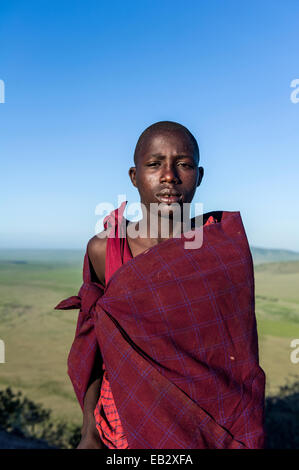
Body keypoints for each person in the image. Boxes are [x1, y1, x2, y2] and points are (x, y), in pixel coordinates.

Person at [55, 121, 266, 449]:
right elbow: (95, 344)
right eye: (154, 164)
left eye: (184, 164)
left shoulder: (221, 250)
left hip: (203, 431)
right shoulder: (106, 249)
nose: (169, 176)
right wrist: (89, 432)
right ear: (134, 176)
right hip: (119, 427)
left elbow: (237, 362)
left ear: (200, 175)